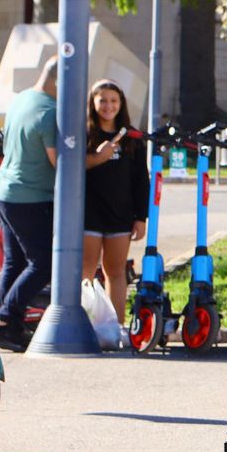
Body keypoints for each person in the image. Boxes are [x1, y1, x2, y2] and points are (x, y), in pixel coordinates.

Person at [0, 58, 60, 352]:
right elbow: (59, 162)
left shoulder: (22, 99)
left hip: (4, 190)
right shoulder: (49, 112)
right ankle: (4, 318)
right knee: (43, 264)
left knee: (15, 261)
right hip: (28, 197)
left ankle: (9, 327)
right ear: (61, 81)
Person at [82, 80, 149, 322]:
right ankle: (85, 324)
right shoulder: (85, 134)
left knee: (116, 272)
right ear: (93, 103)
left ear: (121, 104)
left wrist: (141, 218)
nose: (108, 106)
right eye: (103, 100)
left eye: (114, 101)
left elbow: (141, 179)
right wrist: (98, 157)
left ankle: (115, 326)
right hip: (89, 214)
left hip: (120, 215)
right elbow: (72, 168)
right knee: (86, 273)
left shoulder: (131, 137)